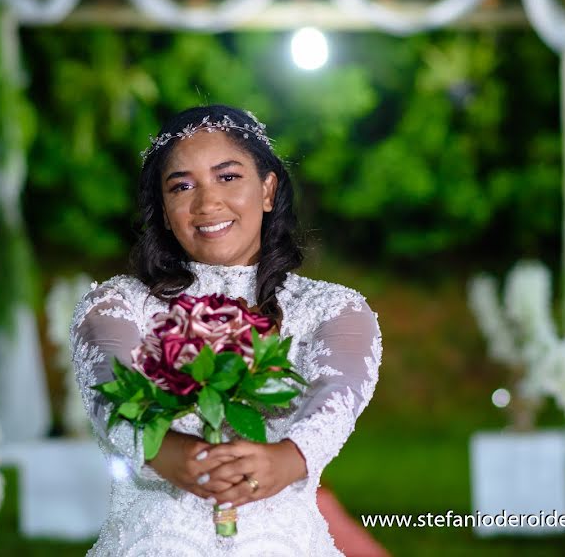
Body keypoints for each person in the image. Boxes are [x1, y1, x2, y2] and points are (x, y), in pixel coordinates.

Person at [70, 104, 383, 556]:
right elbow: (112, 388)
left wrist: (286, 458)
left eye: (228, 177)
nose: (207, 202)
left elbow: (337, 393)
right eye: (182, 186)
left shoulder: (332, 310)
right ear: (163, 207)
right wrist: (171, 453)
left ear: (268, 189)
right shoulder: (116, 305)